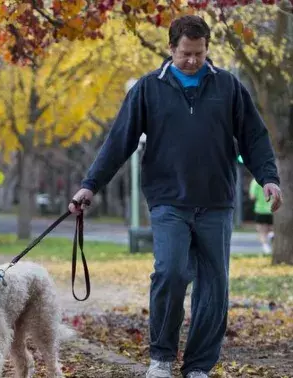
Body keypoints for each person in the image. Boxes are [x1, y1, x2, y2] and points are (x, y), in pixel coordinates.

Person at [68, 15, 282, 378]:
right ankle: (162, 358)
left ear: (206, 49)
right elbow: (119, 140)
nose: (193, 60)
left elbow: (254, 138)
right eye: (186, 53)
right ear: (171, 49)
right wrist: (90, 184)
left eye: (199, 53)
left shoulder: (228, 86)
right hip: (168, 199)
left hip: (216, 200)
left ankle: (198, 366)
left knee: (214, 286)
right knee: (170, 272)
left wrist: (269, 178)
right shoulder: (149, 88)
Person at [249, 178, 274, 253]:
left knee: (261, 231)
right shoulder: (272, 181)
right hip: (271, 209)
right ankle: (271, 234)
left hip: (260, 209)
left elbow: (252, 196)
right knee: (271, 228)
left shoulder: (255, 181)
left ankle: (265, 247)